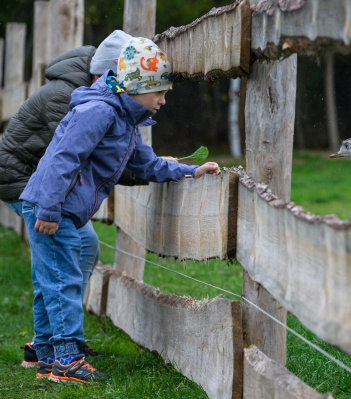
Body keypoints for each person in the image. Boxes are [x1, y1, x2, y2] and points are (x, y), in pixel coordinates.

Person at [19, 36, 220, 383]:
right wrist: (49, 211)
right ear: (135, 87)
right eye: (158, 91)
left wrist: (190, 170)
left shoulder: (126, 122)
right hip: (52, 206)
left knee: (52, 279)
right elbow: (63, 159)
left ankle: (47, 357)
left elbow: (149, 165)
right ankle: (67, 359)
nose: (163, 100)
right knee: (62, 280)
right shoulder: (98, 112)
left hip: (58, 206)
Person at [0, 30, 136, 368]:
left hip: (40, 181)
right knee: (63, 255)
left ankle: (44, 345)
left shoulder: (85, 89)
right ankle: (60, 349)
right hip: (21, 180)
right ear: (109, 72)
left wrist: (157, 166)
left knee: (78, 250)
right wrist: (138, 168)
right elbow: (84, 153)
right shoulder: (71, 94)